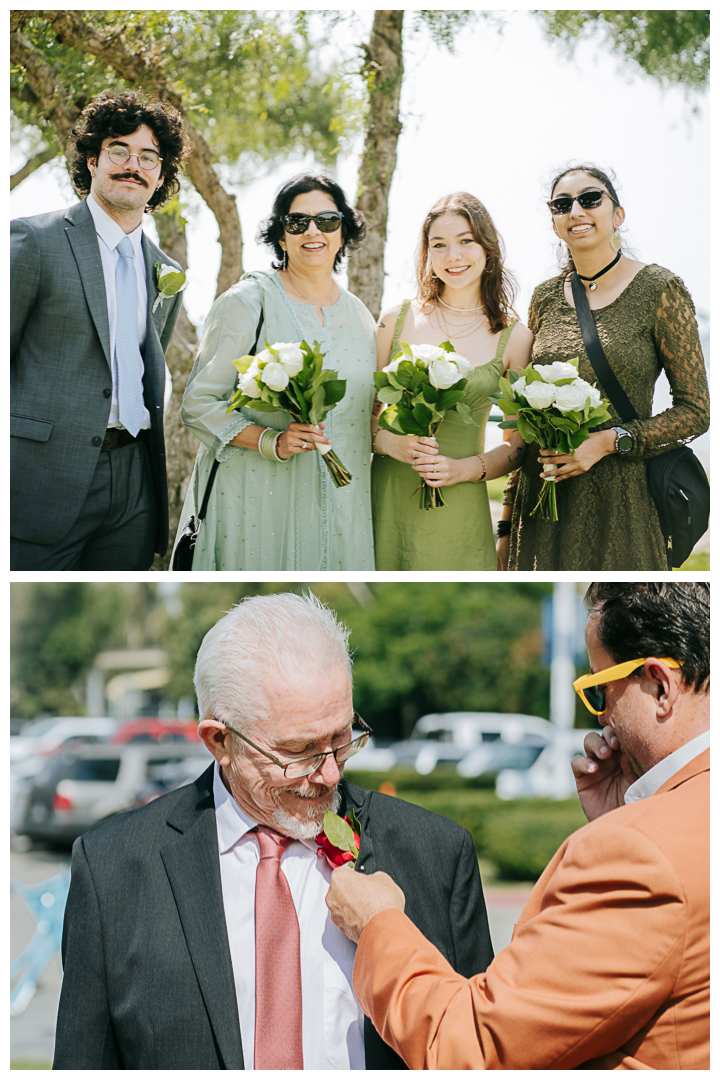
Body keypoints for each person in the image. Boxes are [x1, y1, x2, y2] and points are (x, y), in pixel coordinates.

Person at [53, 592, 493, 1070]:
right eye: (300, 750)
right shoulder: (112, 869)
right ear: (219, 741)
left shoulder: (438, 855)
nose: (330, 774)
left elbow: (482, 1050)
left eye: (342, 738)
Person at [327, 582, 709, 1070]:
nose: (603, 716)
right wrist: (635, 812)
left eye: (599, 688)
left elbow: (470, 1047)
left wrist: (378, 924)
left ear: (658, 684)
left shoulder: (639, 855)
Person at [497, 165, 709, 571]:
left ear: (618, 215)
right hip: (541, 505)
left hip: (622, 508)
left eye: (590, 199)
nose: (576, 210)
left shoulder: (660, 290)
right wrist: (506, 532)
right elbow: (522, 422)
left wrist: (610, 441)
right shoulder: (543, 297)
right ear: (555, 223)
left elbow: (696, 412)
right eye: (562, 204)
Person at [11, 91, 189, 570]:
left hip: (134, 482)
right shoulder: (34, 241)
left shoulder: (166, 271)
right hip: (40, 479)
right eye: (118, 150)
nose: (133, 165)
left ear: (161, 177)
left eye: (148, 157)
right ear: (92, 160)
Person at [176, 173, 376, 570]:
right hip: (255, 503)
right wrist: (272, 440)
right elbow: (198, 404)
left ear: (342, 233)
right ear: (281, 237)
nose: (312, 231)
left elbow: (367, 416)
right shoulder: (248, 301)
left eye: (327, 220)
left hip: (341, 515)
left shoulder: (362, 317)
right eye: (297, 222)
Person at [372, 192, 533, 570]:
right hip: (384, 501)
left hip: (460, 508)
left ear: (487, 247)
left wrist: (462, 470)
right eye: (439, 245)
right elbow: (360, 416)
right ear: (427, 254)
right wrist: (390, 443)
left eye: (465, 241)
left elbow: (520, 445)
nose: (453, 256)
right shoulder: (395, 320)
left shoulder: (516, 337)